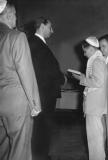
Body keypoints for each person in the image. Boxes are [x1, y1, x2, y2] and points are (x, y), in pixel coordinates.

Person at [0, 1, 41, 160]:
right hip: (16, 105)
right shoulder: (16, 37)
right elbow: (26, 72)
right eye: (15, 15)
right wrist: (34, 103)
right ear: (9, 15)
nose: (16, 19)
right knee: (20, 150)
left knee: (3, 148)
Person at [28, 17, 66, 158]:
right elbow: (46, 71)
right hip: (44, 94)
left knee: (40, 127)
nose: (52, 31)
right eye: (50, 27)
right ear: (42, 26)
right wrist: (62, 78)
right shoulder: (36, 44)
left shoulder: (34, 43)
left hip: (42, 93)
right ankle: (41, 155)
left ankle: (39, 153)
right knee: (43, 127)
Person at [72, 36, 107, 160]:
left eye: (85, 50)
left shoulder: (97, 61)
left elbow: (98, 82)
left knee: (95, 140)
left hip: (94, 105)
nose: (84, 53)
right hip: (95, 105)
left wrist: (81, 79)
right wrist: (83, 76)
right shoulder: (97, 59)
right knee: (95, 139)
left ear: (91, 49)